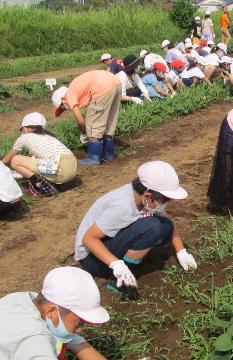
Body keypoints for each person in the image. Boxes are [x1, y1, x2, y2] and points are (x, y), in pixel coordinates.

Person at [75, 161, 197, 298]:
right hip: (93, 260)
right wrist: (117, 265)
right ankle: (119, 280)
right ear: (149, 196)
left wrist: (181, 252)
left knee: (165, 226)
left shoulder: (142, 197)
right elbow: (89, 239)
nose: (167, 203)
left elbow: (169, 221)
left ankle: (129, 261)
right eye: (166, 199)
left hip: (108, 245)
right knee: (152, 227)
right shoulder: (122, 206)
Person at [0, 266, 110, 359]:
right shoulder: (33, 343)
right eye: (79, 322)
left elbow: (79, 344)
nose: (81, 329)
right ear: (52, 311)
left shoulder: (34, 300)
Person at [51, 70, 121, 165]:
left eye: (63, 107)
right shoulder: (76, 87)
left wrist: (84, 133)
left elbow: (80, 121)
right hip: (115, 81)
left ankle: (93, 158)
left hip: (102, 86)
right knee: (108, 121)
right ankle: (109, 155)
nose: (66, 109)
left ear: (63, 100)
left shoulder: (69, 95)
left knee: (93, 124)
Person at [2, 113, 77, 197]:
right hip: (72, 168)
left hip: (61, 170)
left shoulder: (24, 138)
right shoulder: (49, 136)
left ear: (26, 128)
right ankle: (56, 183)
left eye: (21, 129)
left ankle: (44, 186)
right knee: (33, 159)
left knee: (15, 160)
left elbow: (6, 160)